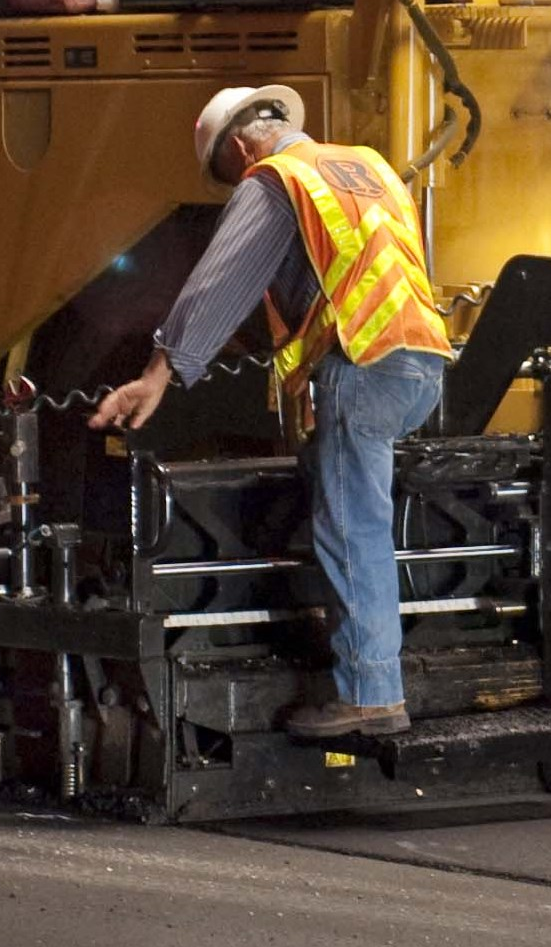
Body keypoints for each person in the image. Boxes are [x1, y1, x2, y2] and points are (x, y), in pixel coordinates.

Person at [92, 85, 453, 742]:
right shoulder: (364, 165)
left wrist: (158, 373)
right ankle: (346, 641)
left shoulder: (274, 180)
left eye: (230, 174)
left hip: (362, 363)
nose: (237, 185)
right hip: (420, 358)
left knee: (350, 526)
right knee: (336, 483)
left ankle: (371, 693)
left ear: (239, 146)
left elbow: (220, 281)